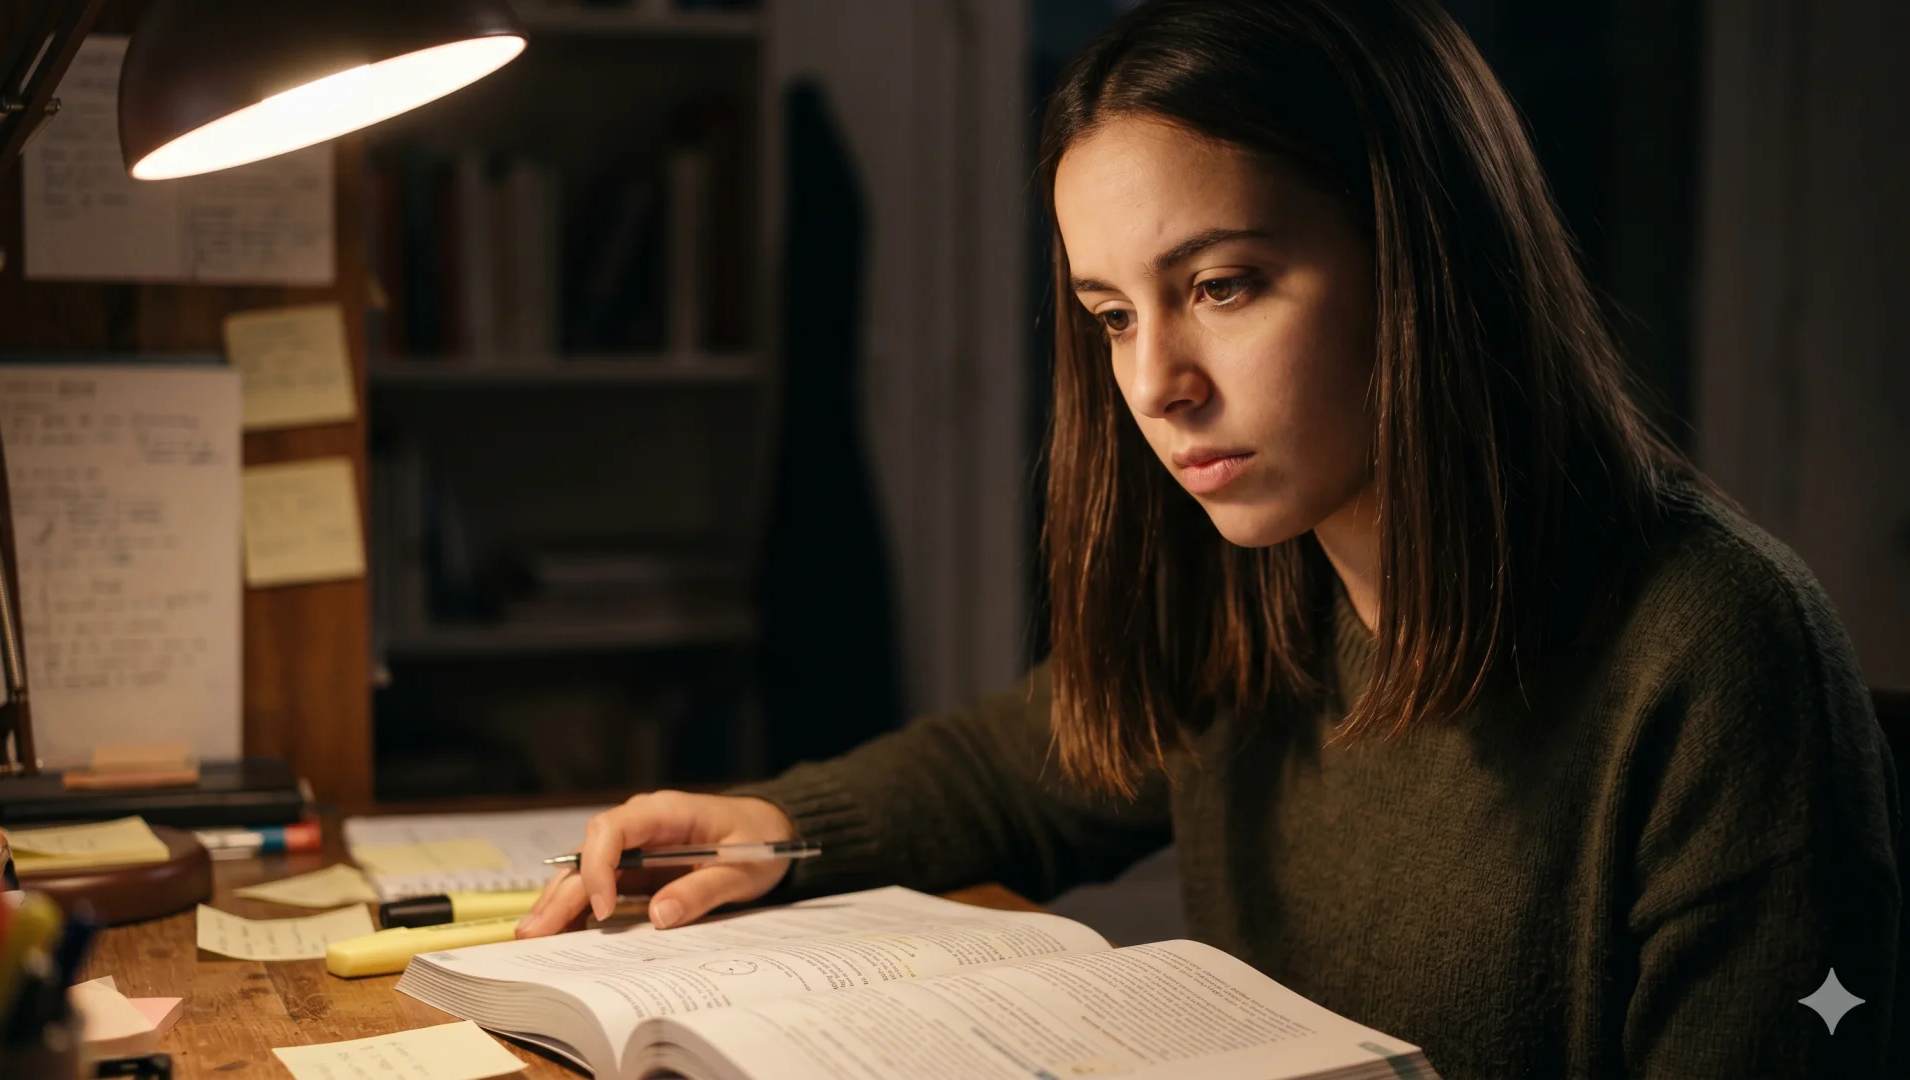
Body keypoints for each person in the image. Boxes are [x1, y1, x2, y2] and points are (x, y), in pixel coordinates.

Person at [522, 0, 1901, 1074]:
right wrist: (776, 825)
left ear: (1421, 259)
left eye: (1225, 284)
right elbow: (1030, 756)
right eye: (1114, 314)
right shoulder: (1266, 592)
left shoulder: (1714, 649)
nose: (1156, 383)